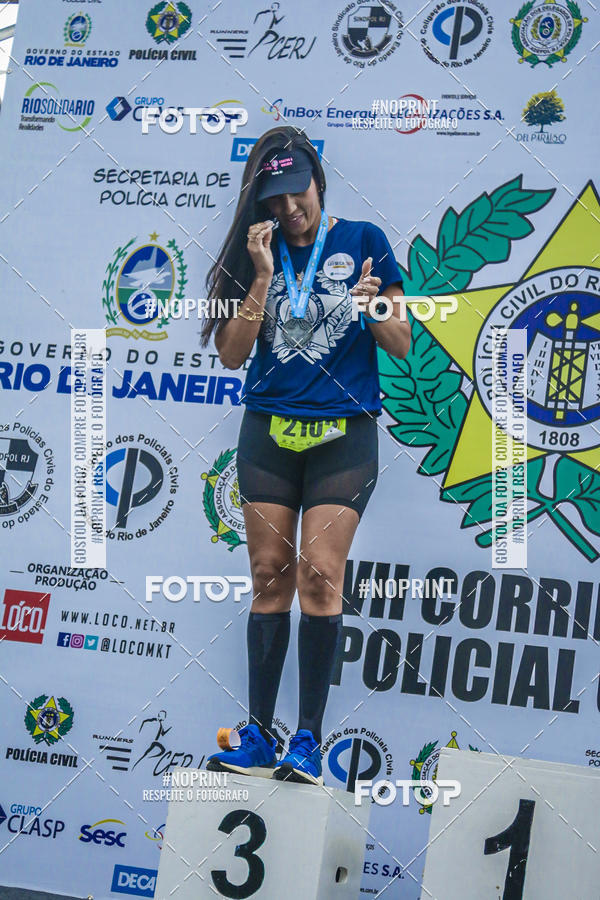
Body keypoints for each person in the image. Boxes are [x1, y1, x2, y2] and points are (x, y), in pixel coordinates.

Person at [201, 125, 410, 786]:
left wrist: (370, 304)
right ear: (260, 200)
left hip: (342, 434)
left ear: (318, 180)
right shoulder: (256, 253)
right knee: (269, 574)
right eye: (276, 198)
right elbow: (233, 354)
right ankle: (261, 734)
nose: (291, 208)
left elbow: (400, 343)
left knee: (319, 573)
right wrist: (261, 277)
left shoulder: (364, 241)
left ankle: (309, 740)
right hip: (268, 430)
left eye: (299, 192)